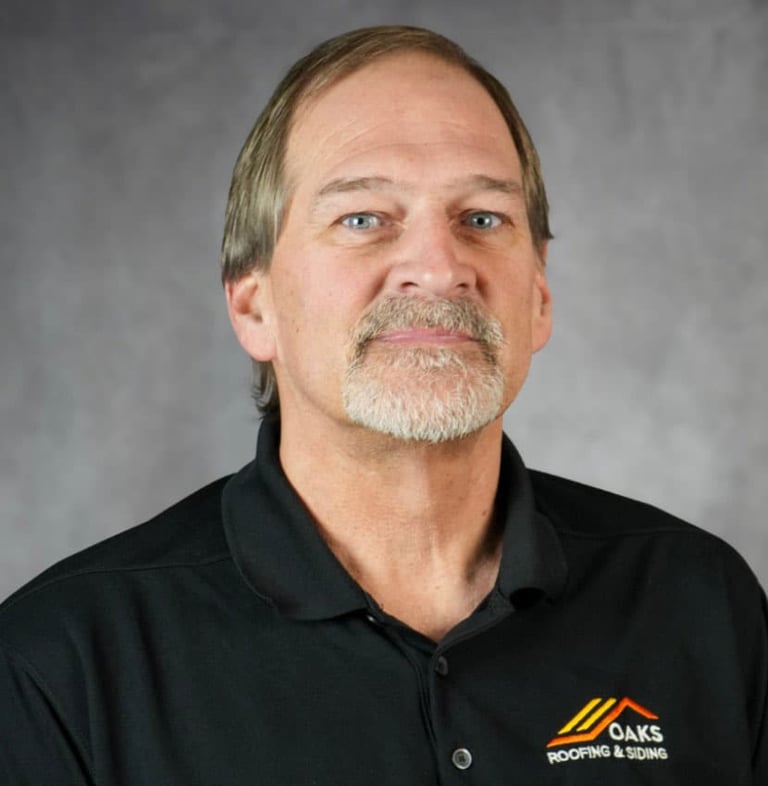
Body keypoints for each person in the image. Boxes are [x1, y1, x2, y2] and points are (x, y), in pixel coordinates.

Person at [1, 25, 765, 785]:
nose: (438, 268)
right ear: (253, 305)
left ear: (538, 298)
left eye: (483, 218)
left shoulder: (700, 604)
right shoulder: (62, 665)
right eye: (363, 218)